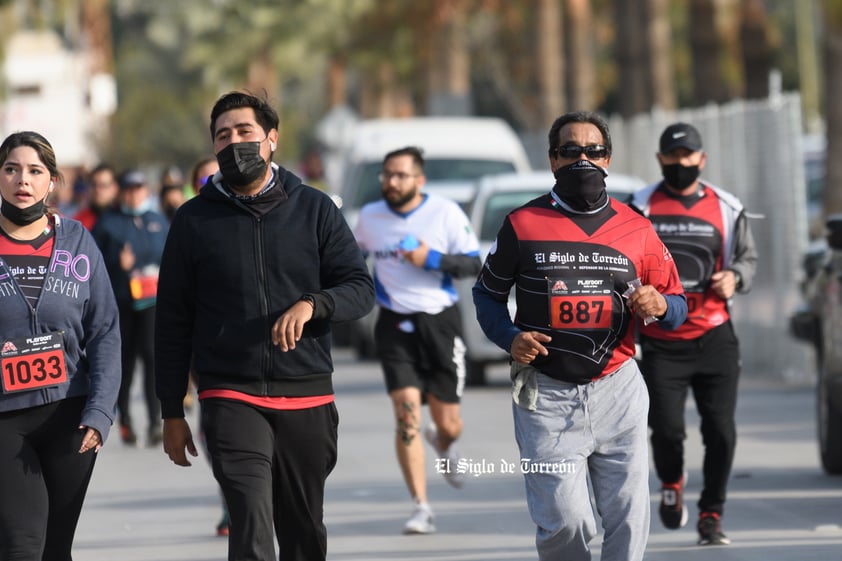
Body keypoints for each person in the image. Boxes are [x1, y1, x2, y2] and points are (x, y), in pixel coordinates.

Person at [154, 90, 374, 561]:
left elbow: (360, 288)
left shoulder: (315, 210)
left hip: (307, 391)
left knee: (303, 531)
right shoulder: (193, 220)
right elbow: (172, 319)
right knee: (250, 523)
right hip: (230, 392)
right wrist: (171, 409)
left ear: (272, 139)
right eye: (223, 136)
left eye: (245, 132)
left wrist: (313, 305)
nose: (235, 143)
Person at [472, 111, 688, 561]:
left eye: (593, 151)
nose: (583, 160)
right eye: (571, 151)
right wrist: (510, 338)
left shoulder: (638, 228)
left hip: (619, 389)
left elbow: (677, 305)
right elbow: (486, 296)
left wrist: (661, 304)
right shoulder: (521, 224)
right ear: (553, 160)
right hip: (546, 395)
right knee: (565, 521)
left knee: (628, 520)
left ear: (608, 158)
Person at [629, 122, 758, 546]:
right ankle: (672, 482)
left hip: (716, 336)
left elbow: (748, 259)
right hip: (662, 343)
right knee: (666, 429)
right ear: (660, 159)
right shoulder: (640, 205)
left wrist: (735, 278)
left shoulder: (726, 206)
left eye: (688, 157)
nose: (680, 164)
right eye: (673, 156)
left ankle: (712, 514)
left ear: (702, 160)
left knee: (720, 429)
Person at [0, 131, 121, 559]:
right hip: (6, 421)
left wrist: (101, 412)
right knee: (21, 545)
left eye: (35, 171)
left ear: (52, 181)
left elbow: (105, 329)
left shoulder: (77, 241)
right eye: (11, 169)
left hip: (71, 416)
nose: (22, 180)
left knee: (55, 549)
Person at [353, 146, 481, 534]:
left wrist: (432, 259)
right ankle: (421, 506)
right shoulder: (370, 218)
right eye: (386, 175)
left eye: (400, 175)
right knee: (406, 414)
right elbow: (351, 260)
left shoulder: (444, 213)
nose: (391, 182)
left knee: (450, 423)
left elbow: (474, 263)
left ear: (419, 180)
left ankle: (443, 443)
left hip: (440, 323)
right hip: (393, 325)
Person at [92, 169, 169, 446]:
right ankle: (124, 420)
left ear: (146, 190)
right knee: (124, 363)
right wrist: (117, 263)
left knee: (151, 359)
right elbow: (92, 265)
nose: (135, 193)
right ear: (122, 192)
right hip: (121, 303)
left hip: (151, 303)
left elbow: (172, 256)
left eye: (139, 188)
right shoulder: (108, 223)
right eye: (130, 188)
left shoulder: (158, 220)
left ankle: (153, 422)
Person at [73, 163, 120, 231]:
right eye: (93, 185)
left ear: (114, 188)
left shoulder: (126, 221)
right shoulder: (79, 223)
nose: (97, 190)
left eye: (103, 185)